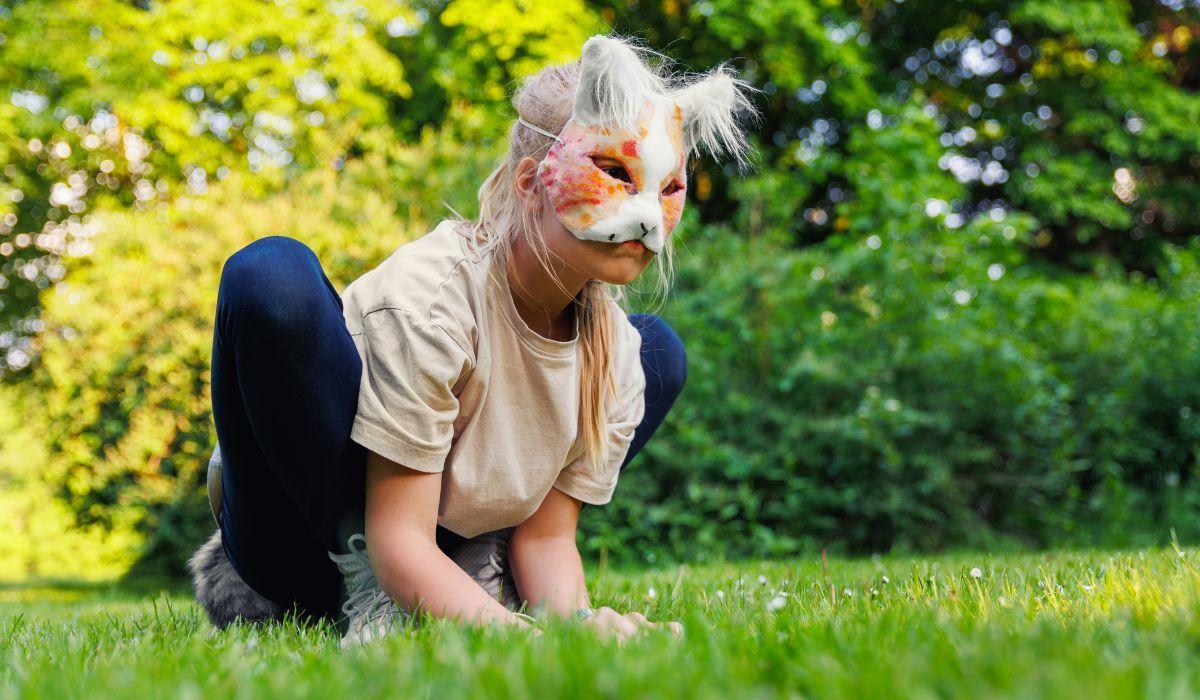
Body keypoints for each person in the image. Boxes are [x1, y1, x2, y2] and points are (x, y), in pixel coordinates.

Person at [187, 33, 755, 647]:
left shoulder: (612, 351)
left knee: (658, 351)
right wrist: (516, 639)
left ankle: (471, 571)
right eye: (614, 173)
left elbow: (546, 537)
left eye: (667, 189)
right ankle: (384, 594)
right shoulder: (433, 297)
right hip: (299, 547)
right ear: (531, 181)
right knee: (271, 276)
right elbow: (397, 536)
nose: (645, 214)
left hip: (432, 539)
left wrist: (576, 629)